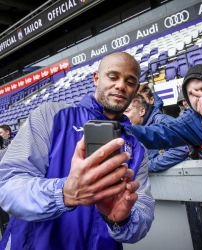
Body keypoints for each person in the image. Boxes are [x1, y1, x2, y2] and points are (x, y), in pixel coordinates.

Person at [0, 52, 155, 250]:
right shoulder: (50, 115)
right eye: (113, 76)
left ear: (135, 92)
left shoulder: (137, 149)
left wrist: (121, 220)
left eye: (130, 81)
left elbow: (143, 217)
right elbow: (7, 187)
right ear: (96, 78)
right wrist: (64, 193)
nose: (121, 85)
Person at [124, 94, 189, 172]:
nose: (123, 116)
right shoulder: (131, 130)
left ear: (142, 111)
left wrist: (145, 167)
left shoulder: (163, 121)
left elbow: (180, 150)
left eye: (126, 111)